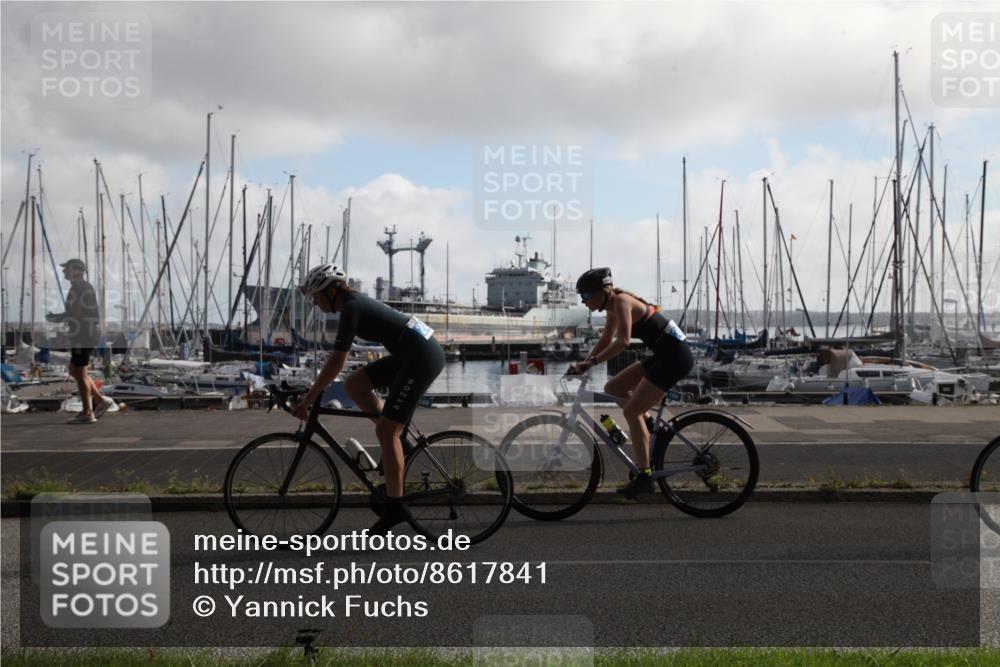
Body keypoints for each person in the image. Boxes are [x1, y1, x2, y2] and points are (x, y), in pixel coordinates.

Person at [291, 264, 445, 534]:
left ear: (331, 292)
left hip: (422, 357)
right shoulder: (352, 304)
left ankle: (395, 507)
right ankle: (401, 444)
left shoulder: (352, 307)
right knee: (354, 385)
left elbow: (337, 361)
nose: (314, 303)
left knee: (386, 431)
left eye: (316, 296)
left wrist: (309, 399)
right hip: (412, 352)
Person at [568, 267, 694, 498]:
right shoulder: (612, 307)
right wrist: (583, 364)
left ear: (601, 292)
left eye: (586, 295)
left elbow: (623, 341)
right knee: (613, 388)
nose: (583, 301)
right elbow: (606, 340)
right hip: (663, 355)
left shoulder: (621, 301)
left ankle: (645, 477)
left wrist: (590, 363)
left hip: (675, 358)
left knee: (632, 411)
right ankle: (648, 426)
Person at [45, 259, 115, 424]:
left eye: (67, 269)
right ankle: (101, 400)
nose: (64, 272)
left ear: (77, 271)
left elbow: (76, 314)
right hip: (84, 333)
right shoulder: (80, 287)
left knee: (80, 372)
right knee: (74, 370)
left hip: (84, 334)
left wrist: (57, 317)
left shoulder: (79, 288)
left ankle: (87, 412)